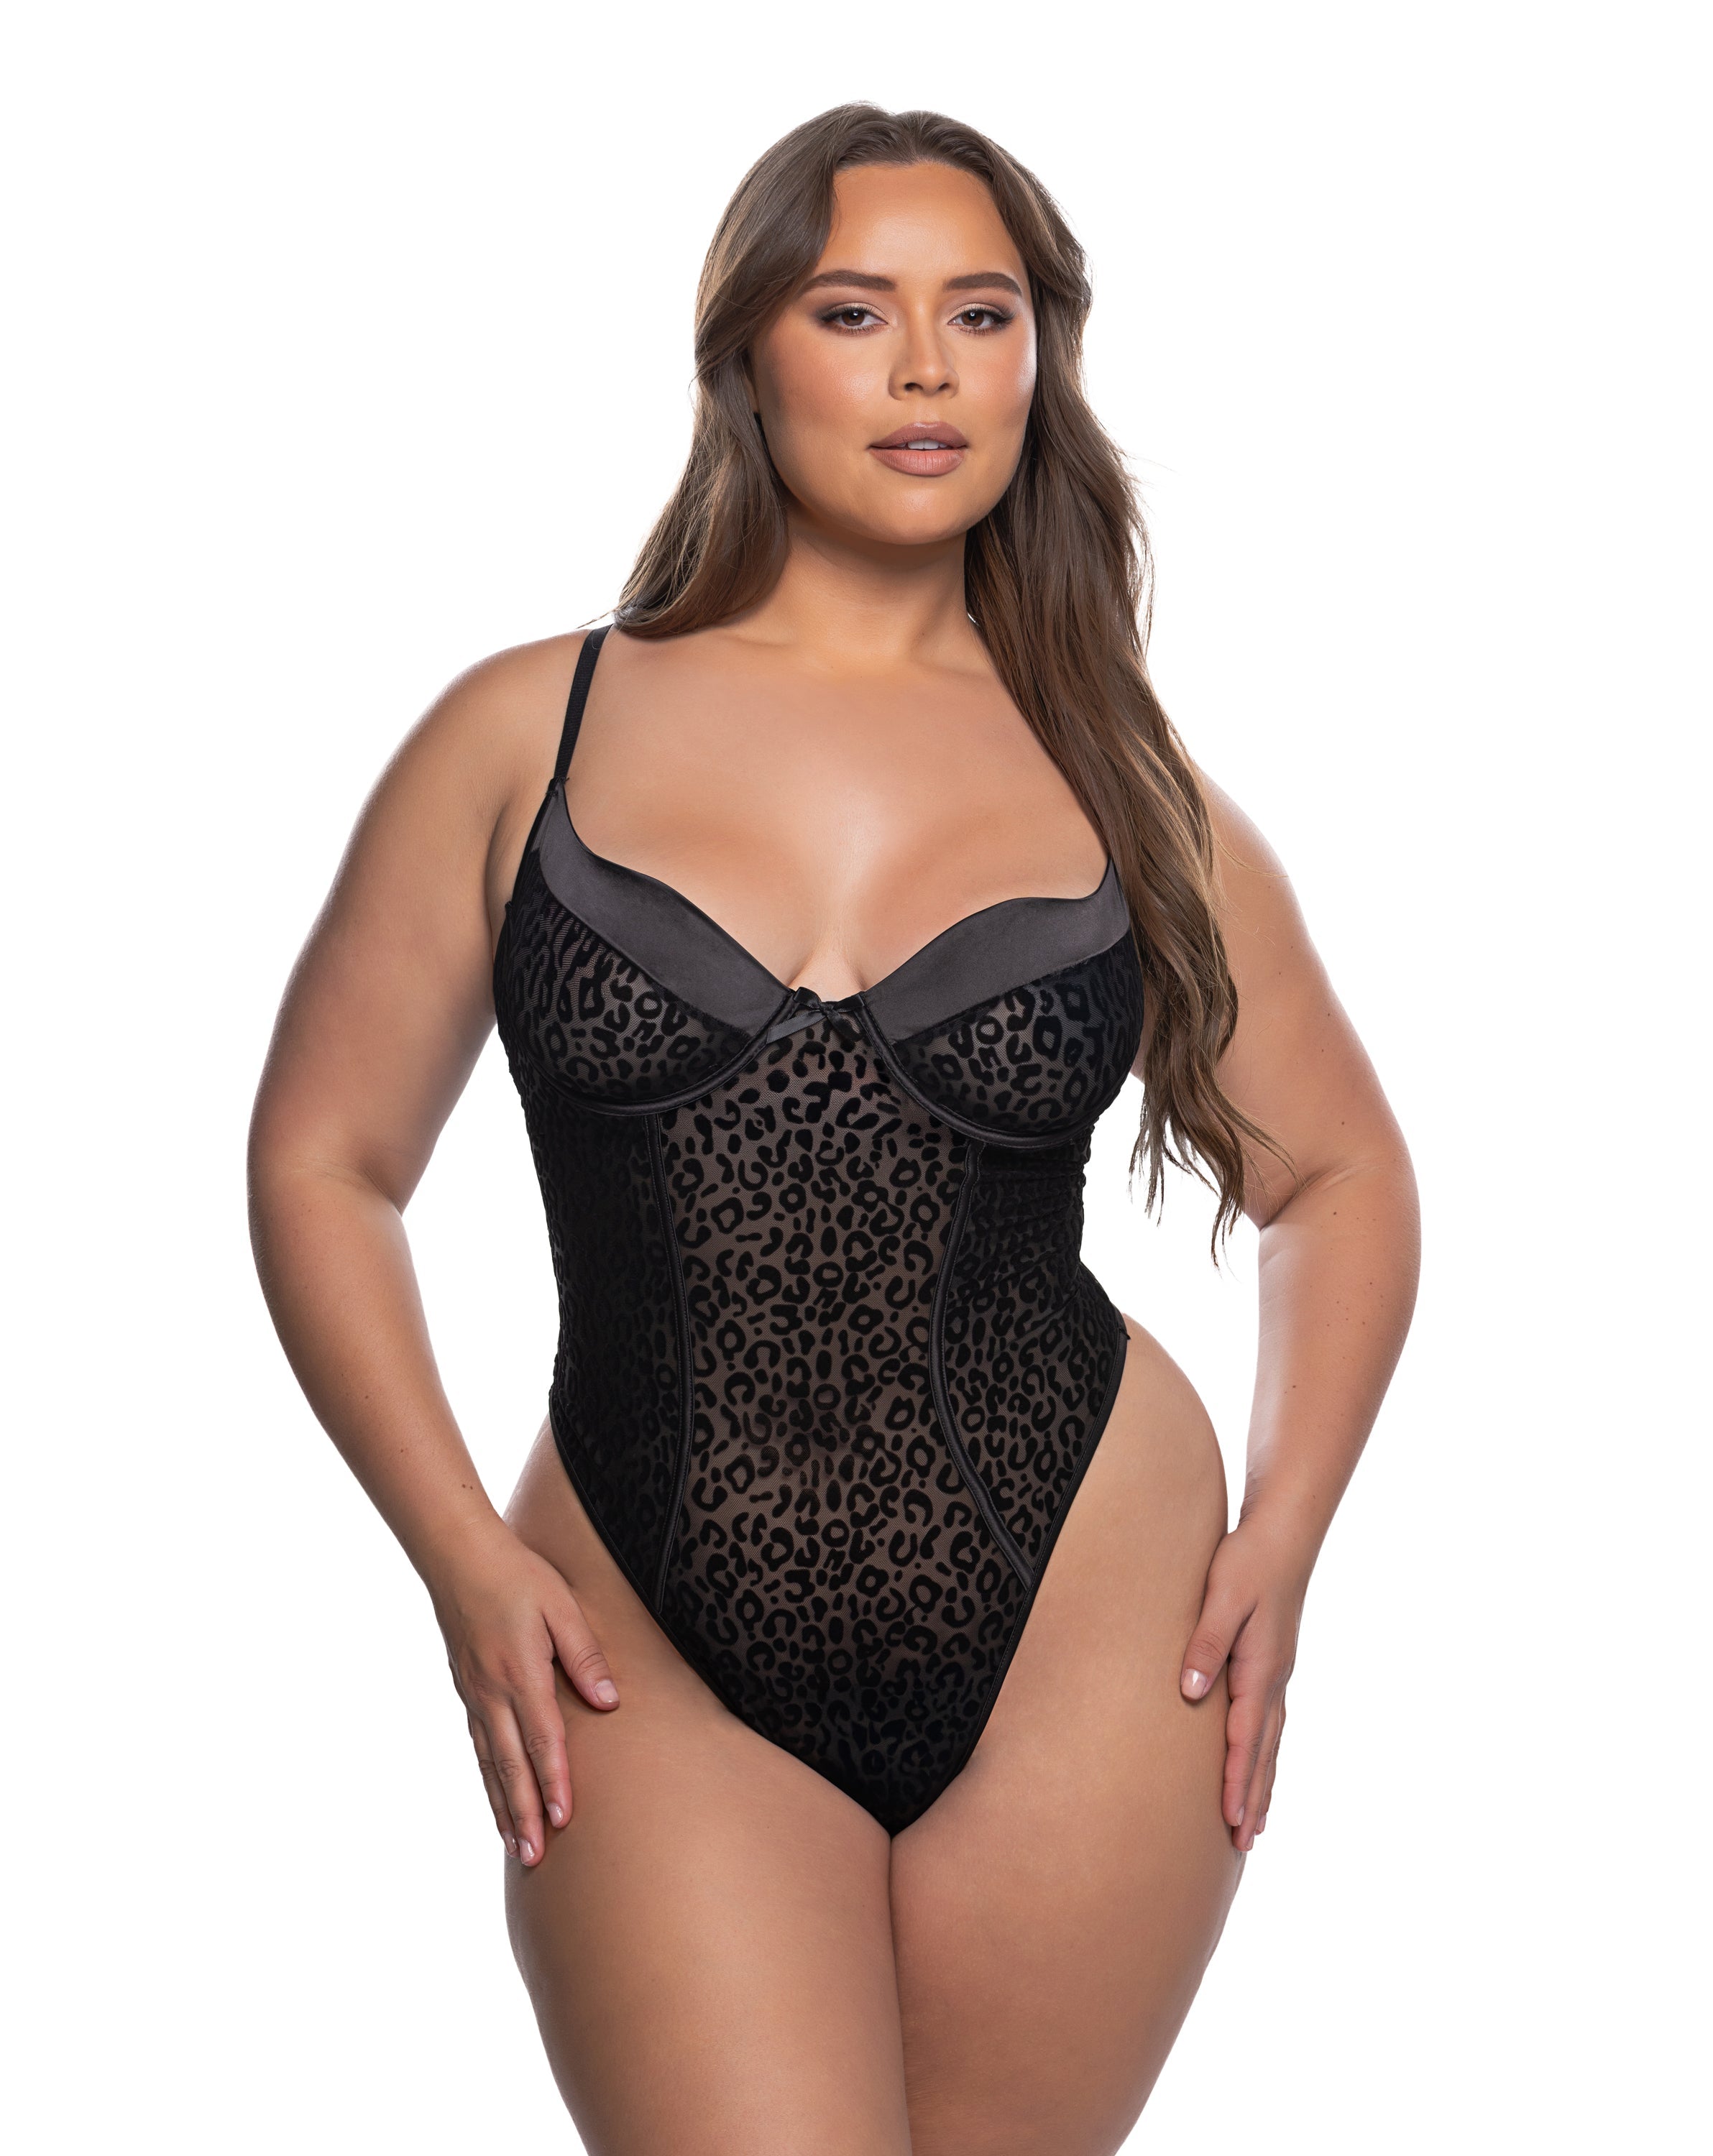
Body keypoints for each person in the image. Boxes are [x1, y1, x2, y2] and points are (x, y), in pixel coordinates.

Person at [249, 102, 1420, 2156]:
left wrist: (1286, 1533)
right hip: (639, 1628)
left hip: (1088, 1619)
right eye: (855, 311)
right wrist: (459, 1560)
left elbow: (1338, 1173)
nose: (925, 369)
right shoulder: (526, 733)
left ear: (1042, 359)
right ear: (745, 357)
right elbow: (324, 1163)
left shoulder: (1125, 783)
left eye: (983, 313)